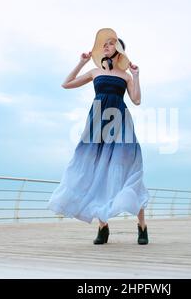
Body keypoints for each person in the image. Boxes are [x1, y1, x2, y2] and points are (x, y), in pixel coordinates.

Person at [47, 28, 149, 245]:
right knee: (94, 170)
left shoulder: (125, 75)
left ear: (119, 50)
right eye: (105, 44)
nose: (105, 46)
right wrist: (81, 63)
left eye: (111, 43)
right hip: (96, 124)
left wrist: (137, 76)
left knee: (130, 169)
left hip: (120, 123)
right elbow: (66, 84)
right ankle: (103, 228)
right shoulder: (95, 72)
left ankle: (142, 226)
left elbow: (137, 100)